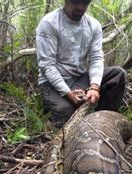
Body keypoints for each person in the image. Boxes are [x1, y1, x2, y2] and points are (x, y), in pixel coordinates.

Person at [36, 0, 127, 128]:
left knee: (118, 74)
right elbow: (46, 65)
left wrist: (94, 87)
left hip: (78, 78)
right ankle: (55, 107)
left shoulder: (93, 25)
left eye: (85, 3)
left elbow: (96, 58)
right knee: (66, 116)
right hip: (52, 84)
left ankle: (104, 120)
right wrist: (68, 94)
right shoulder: (49, 23)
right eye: (75, 2)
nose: (80, 7)